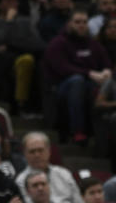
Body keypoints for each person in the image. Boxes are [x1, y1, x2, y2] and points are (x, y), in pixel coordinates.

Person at [43, 9, 112, 144]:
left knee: (102, 85)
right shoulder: (58, 43)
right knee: (77, 81)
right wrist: (90, 73)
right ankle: (77, 131)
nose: (81, 25)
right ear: (69, 24)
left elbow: (106, 63)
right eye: (77, 22)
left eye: (84, 22)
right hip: (61, 87)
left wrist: (106, 72)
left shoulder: (93, 44)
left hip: (89, 85)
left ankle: (103, 136)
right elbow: (62, 68)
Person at [13, 132, 80, 203]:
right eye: (32, 151)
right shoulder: (21, 181)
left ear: (49, 151)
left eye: (40, 150)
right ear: (25, 154)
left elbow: (78, 201)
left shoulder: (64, 173)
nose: (37, 155)